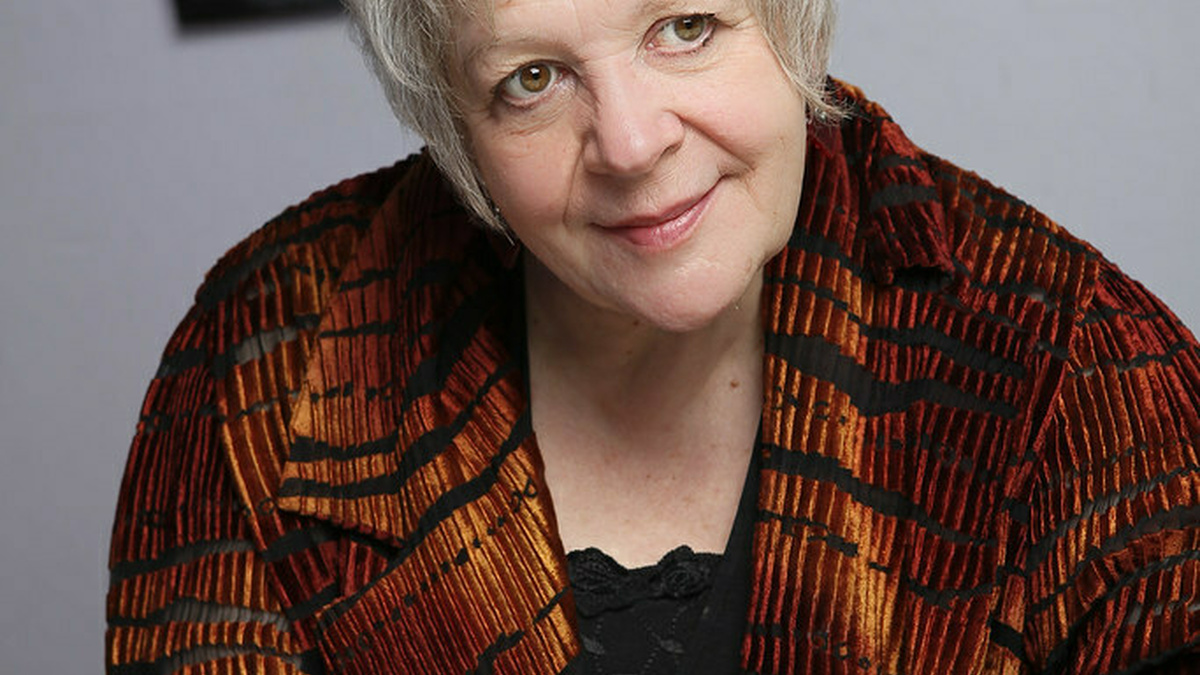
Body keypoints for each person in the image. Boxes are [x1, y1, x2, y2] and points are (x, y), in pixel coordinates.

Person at [106, 0, 1200, 672]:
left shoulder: (1081, 367)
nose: (631, 144)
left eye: (686, 27)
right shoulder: (266, 360)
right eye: (529, 80)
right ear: (451, 123)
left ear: (790, 18)